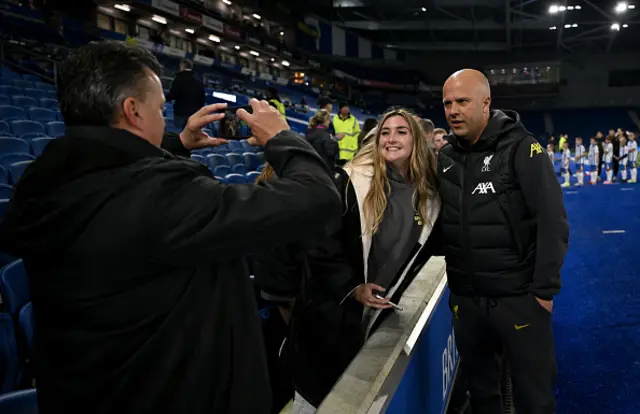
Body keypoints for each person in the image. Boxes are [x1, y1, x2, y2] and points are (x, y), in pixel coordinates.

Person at [0, 41, 342, 414]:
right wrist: (281, 137)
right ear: (132, 110)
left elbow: (118, 182)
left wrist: (175, 144)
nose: (165, 118)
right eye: (160, 108)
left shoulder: (45, 182)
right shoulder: (160, 196)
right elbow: (317, 197)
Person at [287, 108, 442, 412]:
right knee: (316, 398)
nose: (391, 138)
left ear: (417, 141)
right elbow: (321, 248)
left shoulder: (429, 194)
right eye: (385, 132)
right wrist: (353, 287)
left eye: (401, 131)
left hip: (374, 316)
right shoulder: (351, 181)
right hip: (330, 315)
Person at [438, 69, 568, 414]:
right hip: (466, 301)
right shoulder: (445, 156)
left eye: (462, 101)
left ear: (486, 103)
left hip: (518, 298)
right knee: (482, 397)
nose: (453, 110)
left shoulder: (522, 149)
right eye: (447, 103)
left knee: (533, 398)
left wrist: (543, 292)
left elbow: (552, 222)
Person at [165, 59, 205, 129]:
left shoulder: (178, 79)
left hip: (180, 113)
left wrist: (165, 98)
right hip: (194, 114)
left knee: (179, 135)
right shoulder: (198, 81)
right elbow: (202, 100)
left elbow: (173, 95)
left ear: (182, 66)